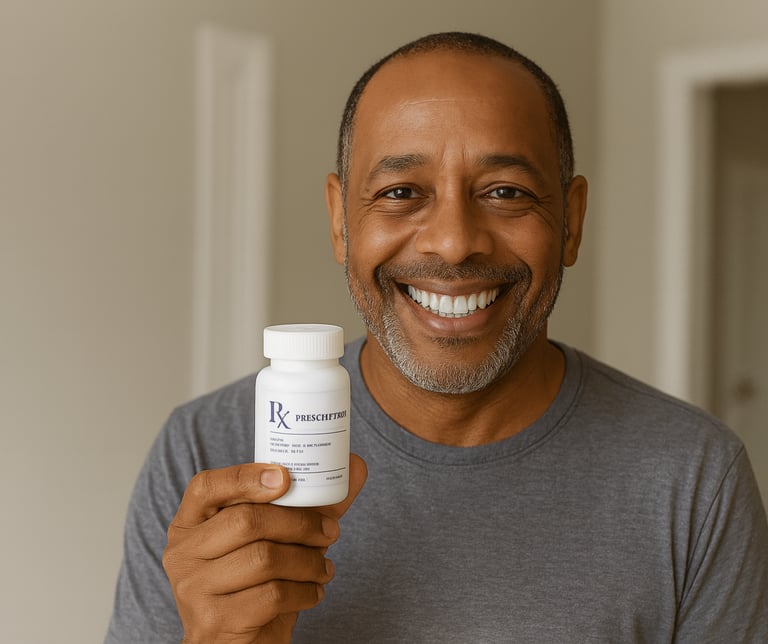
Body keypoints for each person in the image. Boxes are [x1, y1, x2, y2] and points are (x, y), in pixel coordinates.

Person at [105, 32, 768, 643]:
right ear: (340, 221)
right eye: (400, 192)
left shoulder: (692, 478)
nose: (453, 243)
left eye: (506, 191)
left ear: (571, 221)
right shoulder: (206, 453)